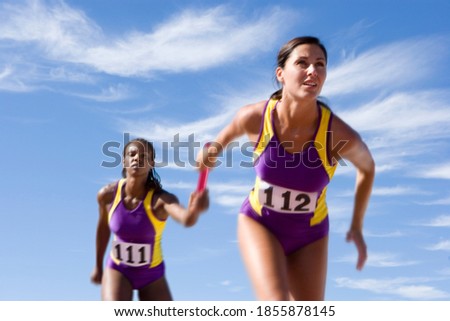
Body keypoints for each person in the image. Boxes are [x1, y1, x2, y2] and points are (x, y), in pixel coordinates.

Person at [197, 36, 375, 300]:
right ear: (281, 74)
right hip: (260, 223)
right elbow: (212, 150)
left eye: (320, 64)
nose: (313, 70)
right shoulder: (254, 117)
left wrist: (357, 226)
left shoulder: (337, 134)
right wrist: (203, 177)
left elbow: (367, 168)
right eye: (302, 63)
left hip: (311, 235)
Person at [91, 138, 209, 300]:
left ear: (151, 163)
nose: (136, 158)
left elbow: (186, 218)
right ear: (124, 161)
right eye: (131, 154)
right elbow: (103, 228)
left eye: (143, 156)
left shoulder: (160, 200)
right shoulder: (107, 195)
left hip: (152, 275)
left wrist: (194, 210)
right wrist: (98, 266)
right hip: (118, 269)